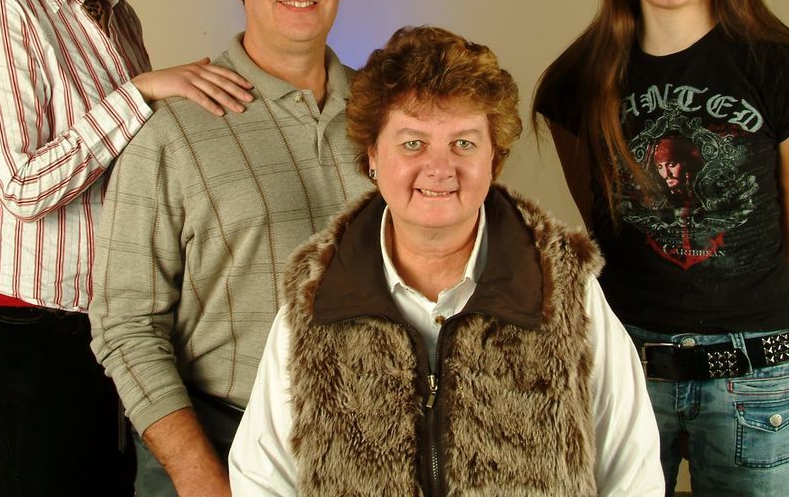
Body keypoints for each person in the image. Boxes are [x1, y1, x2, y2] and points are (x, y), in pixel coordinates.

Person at [533, 0, 789, 496]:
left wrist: (745, 351)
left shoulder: (787, 73)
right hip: (625, 371)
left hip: (754, 380)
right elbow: (603, 233)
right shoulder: (576, 82)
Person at [229, 25, 664, 496]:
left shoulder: (563, 288)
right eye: (412, 143)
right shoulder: (316, 295)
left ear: (493, 158)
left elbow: (633, 474)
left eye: (464, 143)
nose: (440, 168)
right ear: (373, 154)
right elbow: (261, 478)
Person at [0, 0, 253, 497]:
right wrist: (140, 92)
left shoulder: (117, 14)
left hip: (113, 326)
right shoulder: (3, 11)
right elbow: (21, 187)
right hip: (29, 325)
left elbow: (135, 166)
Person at [89, 0, 372, 497]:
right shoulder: (171, 130)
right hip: (219, 443)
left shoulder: (391, 117)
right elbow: (125, 324)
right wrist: (197, 474)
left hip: (368, 448)